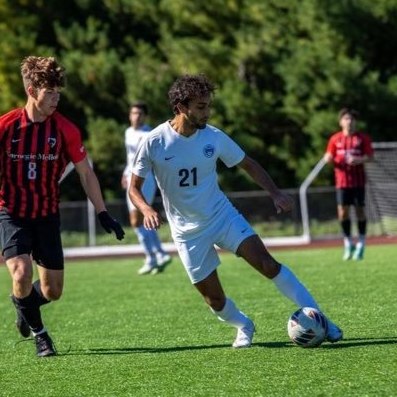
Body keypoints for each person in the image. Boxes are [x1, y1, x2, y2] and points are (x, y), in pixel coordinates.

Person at [129, 74, 343, 348]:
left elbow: (248, 164)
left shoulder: (214, 137)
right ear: (181, 108)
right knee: (214, 300)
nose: (207, 112)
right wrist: (146, 208)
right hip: (186, 232)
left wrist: (275, 192)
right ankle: (244, 325)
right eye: (201, 107)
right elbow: (133, 188)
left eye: (208, 105)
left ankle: (324, 321)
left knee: (267, 264)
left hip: (222, 217)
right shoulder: (154, 141)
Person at [0, 56, 125, 357]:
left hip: (46, 215)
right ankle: (41, 336)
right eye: (49, 93)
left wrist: (103, 212)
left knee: (53, 291)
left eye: (58, 92)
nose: (56, 99)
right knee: (20, 273)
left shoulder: (65, 130)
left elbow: (85, 172)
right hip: (11, 213)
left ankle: (23, 304)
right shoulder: (4, 127)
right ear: (31, 92)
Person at [121, 102, 171, 275]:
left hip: (146, 179)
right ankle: (158, 255)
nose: (136, 116)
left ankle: (153, 256)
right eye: (133, 113)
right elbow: (130, 159)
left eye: (139, 113)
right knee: (141, 220)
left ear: (145, 116)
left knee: (137, 219)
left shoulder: (149, 134)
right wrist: (126, 174)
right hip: (131, 177)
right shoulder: (128, 132)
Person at [324, 108, 373, 261]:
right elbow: (328, 156)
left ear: (355, 122)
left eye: (351, 119)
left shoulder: (362, 138)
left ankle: (361, 244)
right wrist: (328, 158)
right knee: (342, 212)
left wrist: (358, 160)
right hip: (341, 182)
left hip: (358, 182)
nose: (349, 121)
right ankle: (348, 243)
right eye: (346, 119)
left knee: (360, 212)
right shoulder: (335, 139)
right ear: (341, 122)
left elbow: (370, 157)